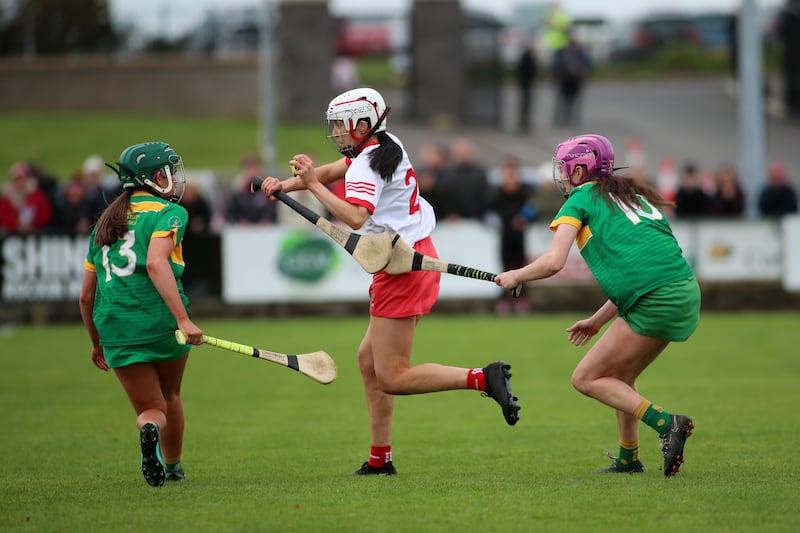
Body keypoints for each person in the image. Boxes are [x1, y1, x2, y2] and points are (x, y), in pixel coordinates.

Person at [257, 87, 520, 475]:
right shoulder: (385, 144)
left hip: (400, 268)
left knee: (393, 376)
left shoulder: (366, 163)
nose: (338, 134)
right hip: (412, 256)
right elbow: (333, 171)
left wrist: (312, 187)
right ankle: (380, 459)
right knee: (369, 361)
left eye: (342, 127)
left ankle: (483, 377)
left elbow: (356, 216)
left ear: (365, 124)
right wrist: (286, 184)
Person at [495, 134, 699, 477]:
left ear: (580, 169)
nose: (561, 175)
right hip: (680, 290)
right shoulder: (630, 194)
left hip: (654, 297)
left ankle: (667, 423)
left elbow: (554, 261)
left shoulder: (580, 199)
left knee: (586, 378)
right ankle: (628, 459)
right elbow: (640, 270)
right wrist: (597, 319)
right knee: (620, 377)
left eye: (564, 167)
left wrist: (517, 276)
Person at [78, 141, 203, 487]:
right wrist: (182, 320)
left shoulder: (104, 222)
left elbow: (86, 296)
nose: (176, 178)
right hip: (161, 323)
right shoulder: (169, 212)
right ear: (156, 177)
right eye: (170, 171)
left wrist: (96, 343)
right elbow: (155, 262)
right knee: (172, 396)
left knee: (151, 409)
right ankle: (174, 467)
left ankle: (149, 428)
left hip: (114, 328)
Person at [489, 156, 536, 315]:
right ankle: (503, 301)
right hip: (505, 235)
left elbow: (534, 207)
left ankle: (522, 301)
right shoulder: (497, 192)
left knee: (522, 268)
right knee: (504, 268)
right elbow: (490, 210)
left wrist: (524, 218)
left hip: (519, 235)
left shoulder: (524, 191)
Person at [0, 161, 54, 235]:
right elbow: (3, 216)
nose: (20, 182)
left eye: (23, 179)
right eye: (17, 179)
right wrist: (16, 223)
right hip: (11, 234)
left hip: (34, 232)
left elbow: (45, 213)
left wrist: (32, 224)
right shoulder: (7, 196)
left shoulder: (37, 194)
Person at [551, 31, 592, 127]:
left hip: (576, 80)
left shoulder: (579, 52)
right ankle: (561, 119)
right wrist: (555, 75)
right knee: (562, 100)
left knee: (575, 101)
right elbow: (556, 65)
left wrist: (581, 71)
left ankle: (573, 120)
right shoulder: (561, 52)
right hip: (565, 80)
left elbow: (587, 63)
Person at [516, 41, 539, 133]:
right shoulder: (526, 56)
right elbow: (526, 70)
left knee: (526, 104)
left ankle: (524, 122)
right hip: (526, 84)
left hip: (527, 83)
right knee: (525, 104)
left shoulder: (528, 56)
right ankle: (523, 122)